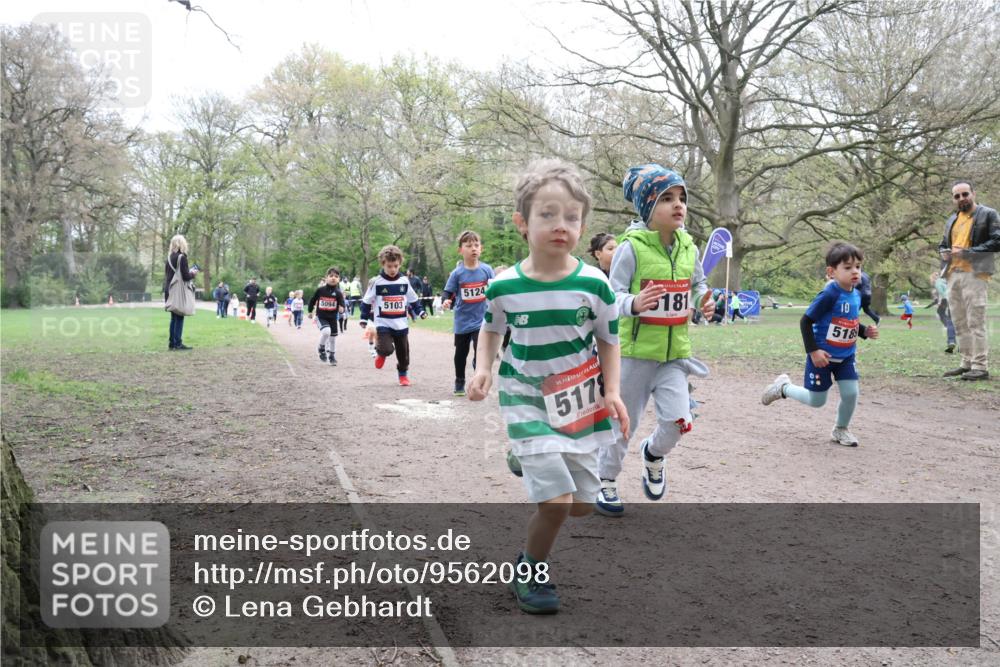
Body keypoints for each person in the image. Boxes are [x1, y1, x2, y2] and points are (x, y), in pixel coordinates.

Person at [467, 158, 628, 615]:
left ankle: (528, 458)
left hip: (577, 400)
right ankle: (531, 570)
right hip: (525, 399)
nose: (562, 225)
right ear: (522, 222)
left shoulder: (595, 284)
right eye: (548, 214)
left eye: (572, 217)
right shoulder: (503, 287)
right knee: (555, 505)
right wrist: (485, 368)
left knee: (581, 505)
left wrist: (612, 391)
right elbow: (491, 329)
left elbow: (608, 340)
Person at [595, 163, 714, 517]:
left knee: (679, 421)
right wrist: (632, 303)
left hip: (674, 354)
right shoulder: (630, 249)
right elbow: (609, 297)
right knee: (622, 423)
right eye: (666, 198)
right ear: (647, 206)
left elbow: (698, 285)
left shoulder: (689, 246)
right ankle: (606, 480)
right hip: (632, 355)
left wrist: (703, 301)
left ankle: (654, 454)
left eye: (681, 198)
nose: (678, 205)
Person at [761, 242, 879, 447]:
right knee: (817, 401)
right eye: (848, 267)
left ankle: (841, 429)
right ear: (831, 272)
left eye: (858, 267)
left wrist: (864, 331)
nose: (855, 272)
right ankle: (783, 387)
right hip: (822, 357)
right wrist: (814, 351)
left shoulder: (856, 294)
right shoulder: (829, 294)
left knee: (851, 393)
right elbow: (806, 321)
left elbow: (848, 320)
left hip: (846, 357)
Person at [938, 180, 999, 381]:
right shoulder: (951, 220)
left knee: (976, 321)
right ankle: (966, 363)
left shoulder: (987, 214)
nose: (961, 198)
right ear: (953, 199)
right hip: (953, 275)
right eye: (957, 196)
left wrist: (969, 252)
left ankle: (980, 366)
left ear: (973, 193)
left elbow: (997, 240)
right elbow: (943, 245)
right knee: (959, 322)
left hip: (976, 273)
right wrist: (944, 253)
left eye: (965, 194)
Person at [361, 246, 427, 386]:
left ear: (400, 264)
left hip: (401, 324)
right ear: (383, 264)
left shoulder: (404, 281)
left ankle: (402, 374)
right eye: (389, 266)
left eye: (395, 266)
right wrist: (363, 317)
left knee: (404, 355)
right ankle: (381, 353)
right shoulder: (377, 282)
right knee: (386, 348)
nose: (392, 269)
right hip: (383, 323)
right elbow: (366, 301)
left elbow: (413, 299)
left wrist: (420, 311)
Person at [441, 230, 495, 396]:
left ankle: (477, 375)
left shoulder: (487, 270)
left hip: (482, 320)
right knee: (460, 354)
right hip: (463, 320)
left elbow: (494, 289)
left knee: (481, 350)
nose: (473, 248)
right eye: (469, 245)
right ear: (460, 250)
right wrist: (446, 300)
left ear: (481, 249)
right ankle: (459, 380)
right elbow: (447, 291)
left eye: (476, 245)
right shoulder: (457, 273)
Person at [164, 234, 198, 350]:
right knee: (179, 317)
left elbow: (170, 275)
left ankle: (172, 343)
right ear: (182, 244)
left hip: (169, 289)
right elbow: (186, 276)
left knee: (174, 317)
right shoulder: (181, 257)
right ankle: (178, 343)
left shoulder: (169, 258)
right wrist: (193, 273)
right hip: (178, 291)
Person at [308, 268, 347, 365]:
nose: (333, 278)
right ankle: (321, 348)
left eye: (336, 276)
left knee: (333, 338)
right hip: (321, 317)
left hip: (333, 318)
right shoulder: (320, 290)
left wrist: (342, 308)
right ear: (326, 278)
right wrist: (309, 311)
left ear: (339, 279)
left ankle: (332, 356)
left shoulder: (338, 293)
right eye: (331, 276)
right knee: (326, 332)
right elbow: (312, 300)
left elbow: (342, 304)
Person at [925, 271, 956, 353]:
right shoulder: (944, 280)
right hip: (954, 298)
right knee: (954, 319)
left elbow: (942, 292)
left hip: (947, 299)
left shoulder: (937, 283)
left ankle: (948, 329)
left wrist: (940, 301)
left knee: (946, 317)